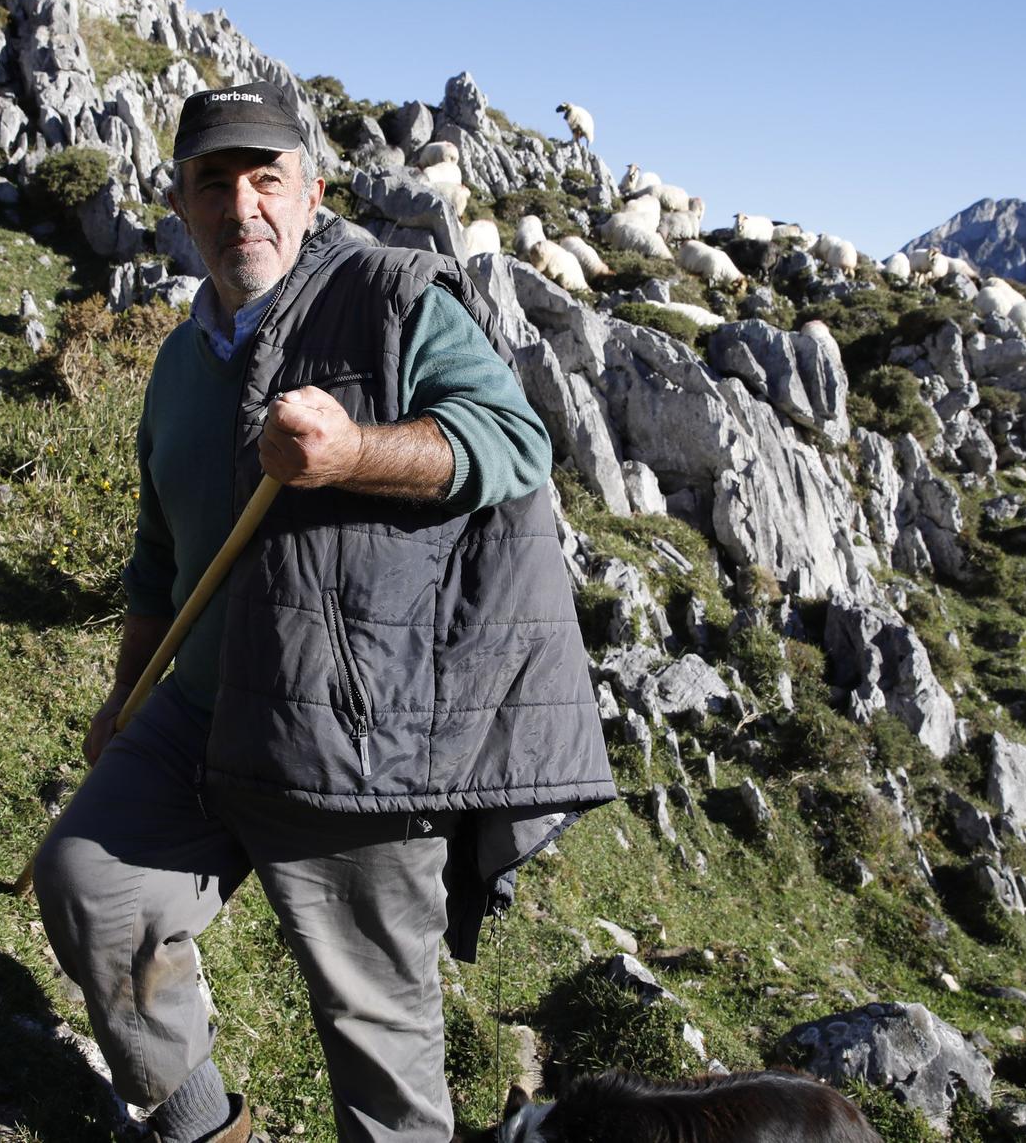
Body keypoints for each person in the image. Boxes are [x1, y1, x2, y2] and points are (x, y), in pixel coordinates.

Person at [33, 81, 614, 1143]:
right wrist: (125, 696)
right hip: (201, 711)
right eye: (215, 182)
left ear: (309, 191)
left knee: (373, 1028)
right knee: (88, 881)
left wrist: (353, 451)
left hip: (345, 731)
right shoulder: (177, 362)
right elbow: (158, 559)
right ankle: (201, 1123)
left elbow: (511, 441)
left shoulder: (390, 300)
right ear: (179, 200)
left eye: (266, 178)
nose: (241, 205)